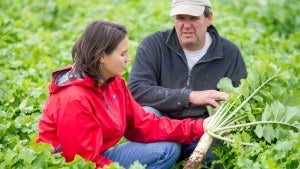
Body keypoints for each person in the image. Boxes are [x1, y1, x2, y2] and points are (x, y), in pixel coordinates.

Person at [36, 20, 214, 169]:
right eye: (123, 53)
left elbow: (144, 124)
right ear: (102, 57)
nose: (128, 59)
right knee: (165, 151)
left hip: (99, 153)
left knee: (168, 148)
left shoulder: (113, 83)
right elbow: (81, 161)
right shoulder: (73, 98)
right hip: (78, 163)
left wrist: (198, 126)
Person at [127, 0, 247, 166]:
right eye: (180, 18)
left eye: (193, 18)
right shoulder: (154, 45)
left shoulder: (229, 53)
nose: (186, 25)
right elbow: (136, 90)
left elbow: (238, 103)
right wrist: (188, 96)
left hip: (204, 131)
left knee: (215, 157)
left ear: (209, 18)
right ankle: (164, 153)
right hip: (161, 125)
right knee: (148, 112)